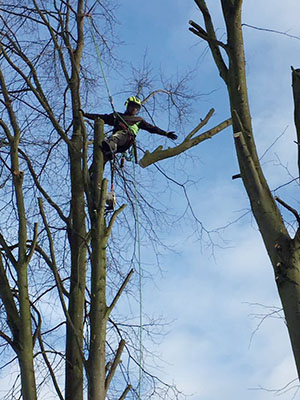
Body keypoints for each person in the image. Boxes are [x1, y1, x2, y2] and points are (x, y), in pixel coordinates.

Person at [80, 96, 177, 159]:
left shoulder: (139, 120)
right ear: (128, 106)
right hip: (116, 143)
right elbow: (102, 117)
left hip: (126, 139)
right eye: (132, 106)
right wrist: (86, 114)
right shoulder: (118, 116)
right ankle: (99, 167)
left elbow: (152, 128)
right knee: (103, 153)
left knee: (117, 136)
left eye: (136, 108)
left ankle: (111, 146)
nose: (134, 109)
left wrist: (166, 133)